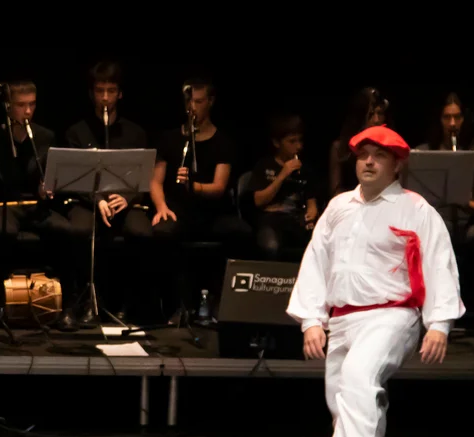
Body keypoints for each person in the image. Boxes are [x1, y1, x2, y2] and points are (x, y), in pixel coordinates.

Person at [288, 125, 463, 437]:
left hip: (392, 314)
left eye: (378, 156)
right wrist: (311, 320)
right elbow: (315, 262)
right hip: (343, 319)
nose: (368, 162)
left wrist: (439, 323)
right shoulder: (338, 208)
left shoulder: (415, 209)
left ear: (396, 164)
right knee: (354, 415)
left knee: (358, 380)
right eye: (363, 154)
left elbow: (440, 263)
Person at [0, 81, 73, 322]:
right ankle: (1, 300)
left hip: (35, 206)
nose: (27, 111)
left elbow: (50, 178)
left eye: (32, 105)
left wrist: (47, 189)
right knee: (4, 231)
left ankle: (66, 303)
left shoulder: (45, 137)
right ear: (8, 106)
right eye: (21, 105)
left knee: (68, 230)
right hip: (3, 205)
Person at [150, 79, 251, 320]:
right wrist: (161, 207)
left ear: (210, 102)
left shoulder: (223, 142)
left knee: (241, 233)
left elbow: (218, 188)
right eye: (188, 102)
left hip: (212, 212)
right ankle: (176, 305)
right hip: (179, 209)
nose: (192, 108)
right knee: (162, 232)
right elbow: (155, 181)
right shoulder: (170, 138)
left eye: (198, 102)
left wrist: (193, 187)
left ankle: (222, 301)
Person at [63, 61, 151, 325]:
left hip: (124, 201)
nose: (105, 98)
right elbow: (72, 179)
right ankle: (82, 301)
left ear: (120, 94)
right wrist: (97, 199)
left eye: (111, 91)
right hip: (88, 201)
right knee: (78, 230)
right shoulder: (76, 132)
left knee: (141, 232)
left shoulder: (135, 132)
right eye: (99, 91)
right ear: (91, 93)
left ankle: (129, 303)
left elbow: (143, 179)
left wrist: (128, 197)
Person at [416, 93, 474, 337]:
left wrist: (460, 199)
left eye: (457, 117)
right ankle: (428, 312)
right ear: (439, 120)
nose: (453, 123)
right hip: (435, 221)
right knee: (424, 238)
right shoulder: (424, 152)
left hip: (467, 221)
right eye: (447, 117)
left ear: (465, 119)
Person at [247, 113, 318, 261]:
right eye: (292, 141)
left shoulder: (305, 169)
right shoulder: (265, 165)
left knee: (318, 245)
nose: (299, 146)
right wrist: (283, 174)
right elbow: (259, 201)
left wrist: (312, 212)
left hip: (296, 220)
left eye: (300, 140)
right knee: (270, 246)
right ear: (277, 143)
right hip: (271, 221)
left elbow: (312, 203)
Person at [328, 88, 389, 199]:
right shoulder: (340, 147)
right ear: (359, 116)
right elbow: (336, 191)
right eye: (371, 114)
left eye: (380, 113)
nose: (376, 120)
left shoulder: (390, 147)